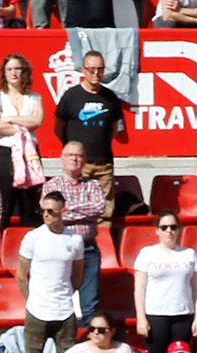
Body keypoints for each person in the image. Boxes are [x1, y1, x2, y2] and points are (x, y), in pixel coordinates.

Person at [13, 191, 85, 353]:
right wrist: (31, 299)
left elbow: (78, 274)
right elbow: (21, 273)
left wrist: (65, 294)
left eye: (51, 211)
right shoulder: (33, 237)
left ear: (63, 211)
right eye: (43, 210)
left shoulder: (74, 240)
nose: (46, 215)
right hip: (37, 310)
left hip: (64, 310)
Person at [54, 51, 125, 228]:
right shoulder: (71, 96)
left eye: (100, 69)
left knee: (105, 212)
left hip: (104, 164)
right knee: (78, 208)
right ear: (83, 70)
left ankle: (104, 248)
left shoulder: (110, 97)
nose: (96, 74)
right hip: (79, 165)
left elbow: (114, 129)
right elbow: (58, 127)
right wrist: (72, 151)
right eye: (91, 69)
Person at [40, 142, 106, 325]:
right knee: (59, 300)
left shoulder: (93, 185)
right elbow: (52, 214)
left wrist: (67, 210)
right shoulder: (51, 185)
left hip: (88, 250)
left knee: (89, 303)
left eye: (78, 155)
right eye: (70, 155)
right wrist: (81, 211)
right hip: (61, 249)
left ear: (84, 160)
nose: (74, 159)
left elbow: (99, 208)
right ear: (62, 158)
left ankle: (86, 344)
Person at [133, 212, 197, 353]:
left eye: (173, 227)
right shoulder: (147, 253)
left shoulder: (189, 254)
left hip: (183, 315)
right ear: (157, 230)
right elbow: (140, 289)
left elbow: (196, 290)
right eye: (164, 227)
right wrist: (141, 318)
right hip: (156, 315)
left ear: (179, 230)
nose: (169, 231)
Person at [0, 53, 45, 235]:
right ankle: (1, 248)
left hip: (30, 153)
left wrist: (10, 119)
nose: (13, 73)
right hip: (6, 153)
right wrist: (25, 124)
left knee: (29, 207)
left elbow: (38, 120)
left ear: (24, 71)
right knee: (6, 205)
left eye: (17, 69)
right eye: (9, 69)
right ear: (4, 73)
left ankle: (27, 250)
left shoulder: (34, 97)